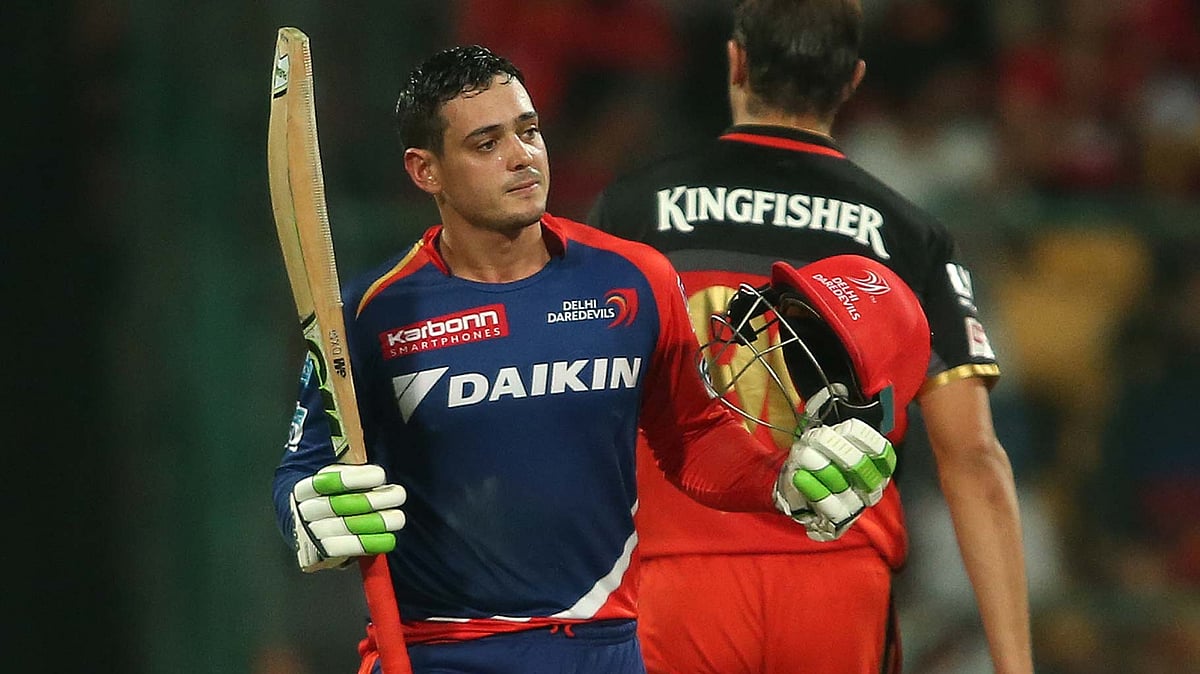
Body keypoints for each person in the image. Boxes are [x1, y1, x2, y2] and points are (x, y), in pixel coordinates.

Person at [271, 44, 897, 674]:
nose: (522, 157)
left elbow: (695, 435)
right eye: (486, 144)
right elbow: (304, 468)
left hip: (604, 649)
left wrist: (778, 480)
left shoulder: (636, 278)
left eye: (529, 131)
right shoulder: (371, 311)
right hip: (438, 653)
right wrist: (308, 515)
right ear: (425, 171)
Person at [587, 1, 1035, 672]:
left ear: (736, 62)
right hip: (838, 579)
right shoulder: (909, 234)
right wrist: (1015, 664)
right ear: (852, 80)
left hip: (678, 580)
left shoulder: (629, 211)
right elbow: (972, 459)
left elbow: (584, 408)